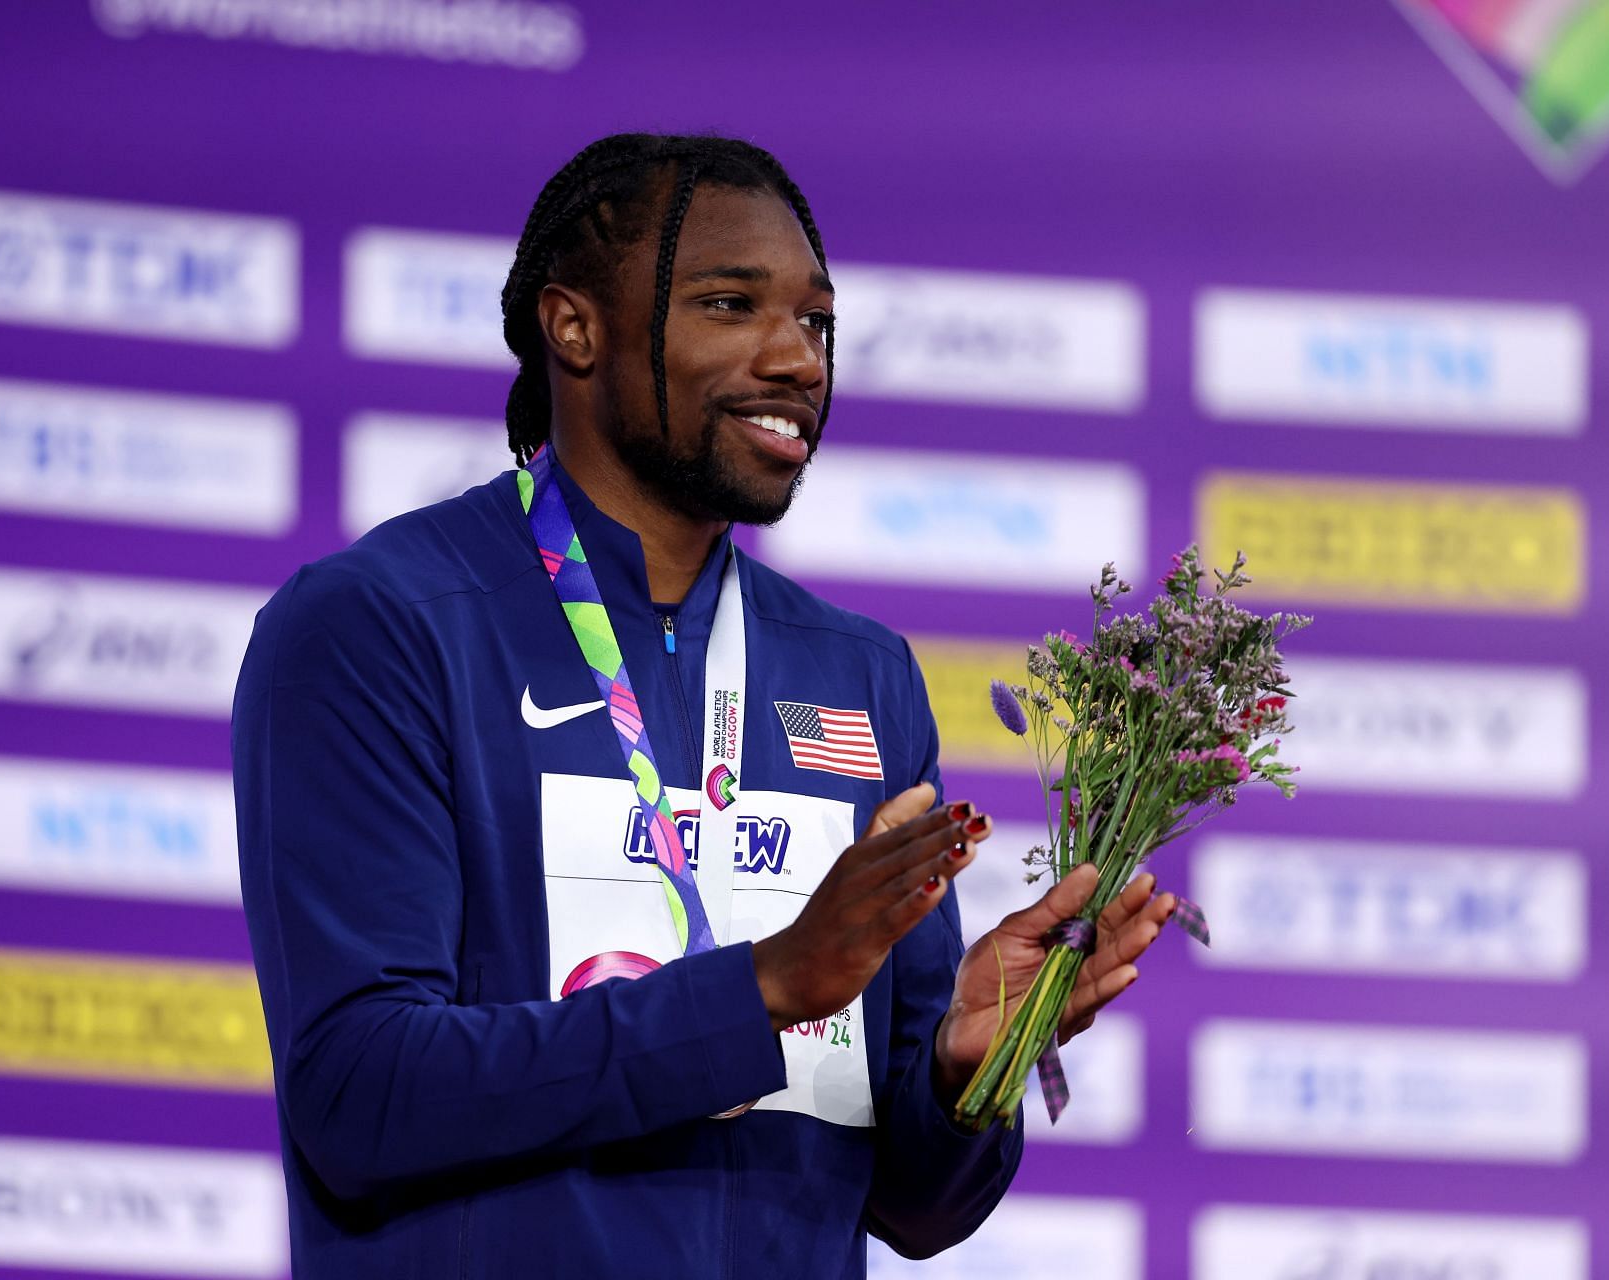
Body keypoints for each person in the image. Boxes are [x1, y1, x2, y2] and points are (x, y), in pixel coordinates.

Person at [232, 132, 1178, 1278]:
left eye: (817, 323)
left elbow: (912, 1210)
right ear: (571, 325)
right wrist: (763, 988)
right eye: (732, 305)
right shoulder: (383, 625)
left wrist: (963, 1073)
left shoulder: (858, 675)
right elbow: (360, 1093)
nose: (798, 360)